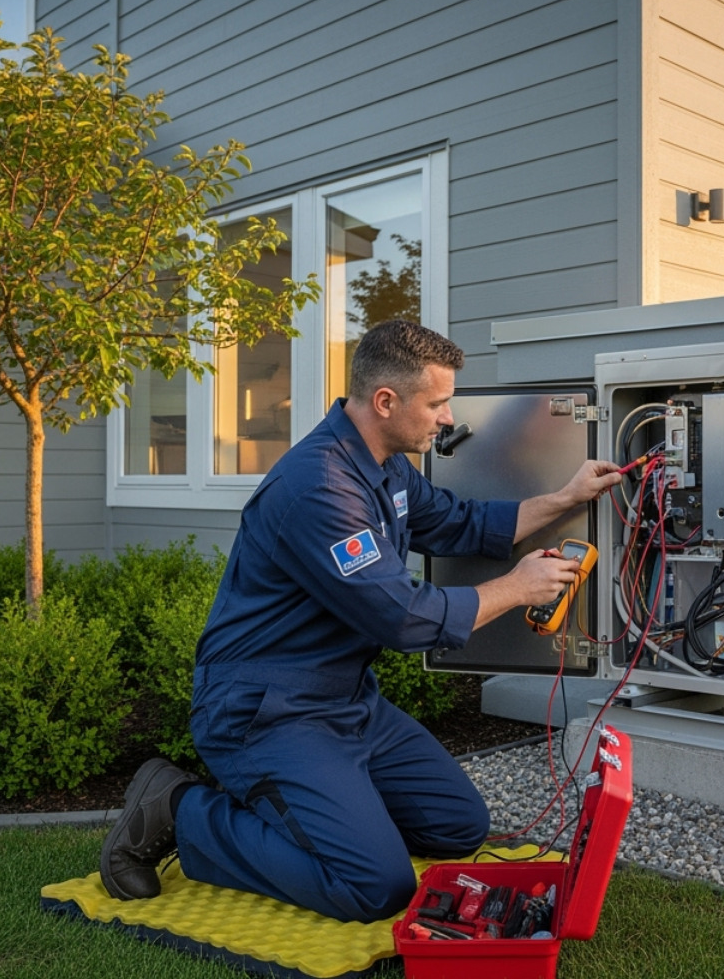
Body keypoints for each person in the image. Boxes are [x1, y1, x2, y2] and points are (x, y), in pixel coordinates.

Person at [98, 320, 621, 922]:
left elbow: (461, 523)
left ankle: (335, 819)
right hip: (265, 713)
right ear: (385, 401)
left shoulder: (384, 464)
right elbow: (403, 619)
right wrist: (517, 587)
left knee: (458, 826)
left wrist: (564, 498)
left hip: (346, 704)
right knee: (375, 888)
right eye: (439, 402)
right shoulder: (319, 487)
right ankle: (183, 810)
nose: (448, 418)